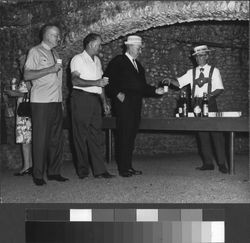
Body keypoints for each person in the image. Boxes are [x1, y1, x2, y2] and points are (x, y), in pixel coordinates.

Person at [104, 35, 165, 177]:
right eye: (138, 48)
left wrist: (155, 91)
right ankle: (123, 169)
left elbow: (142, 87)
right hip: (124, 105)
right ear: (130, 46)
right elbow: (107, 81)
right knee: (124, 136)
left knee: (131, 137)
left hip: (135, 105)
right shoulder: (118, 61)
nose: (140, 51)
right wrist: (117, 93)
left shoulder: (139, 66)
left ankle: (129, 166)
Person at [167, 45, 228, 173]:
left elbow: (219, 88)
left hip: (210, 103)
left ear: (206, 56)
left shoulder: (214, 71)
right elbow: (179, 83)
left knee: (216, 133)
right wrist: (170, 81)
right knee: (202, 133)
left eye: (201, 56)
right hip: (195, 105)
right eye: (196, 57)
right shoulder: (191, 72)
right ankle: (208, 163)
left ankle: (222, 163)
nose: (199, 58)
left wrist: (208, 96)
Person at [24, 24, 68, 186]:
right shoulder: (35, 51)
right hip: (41, 102)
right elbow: (27, 74)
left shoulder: (55, 53)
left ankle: (54, 172)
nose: (58, 38)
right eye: (56, 35)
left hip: (55, 102)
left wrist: (60, 102)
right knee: (41, 139)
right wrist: (50, 69)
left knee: (56, 139)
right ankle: (38, 175)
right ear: (47, 35)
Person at [70, 33, 115, 179]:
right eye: (99, 44)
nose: (101, 47)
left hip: (95, 100)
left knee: (96, 135)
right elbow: (75, 81)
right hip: (81, 98)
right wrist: (96, 83)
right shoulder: (78, 59)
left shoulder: (97, 61)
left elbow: (100, 83)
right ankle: (83, 171)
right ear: (90, 44)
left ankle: (100, 170)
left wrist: (104, 102)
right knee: (80, 136)